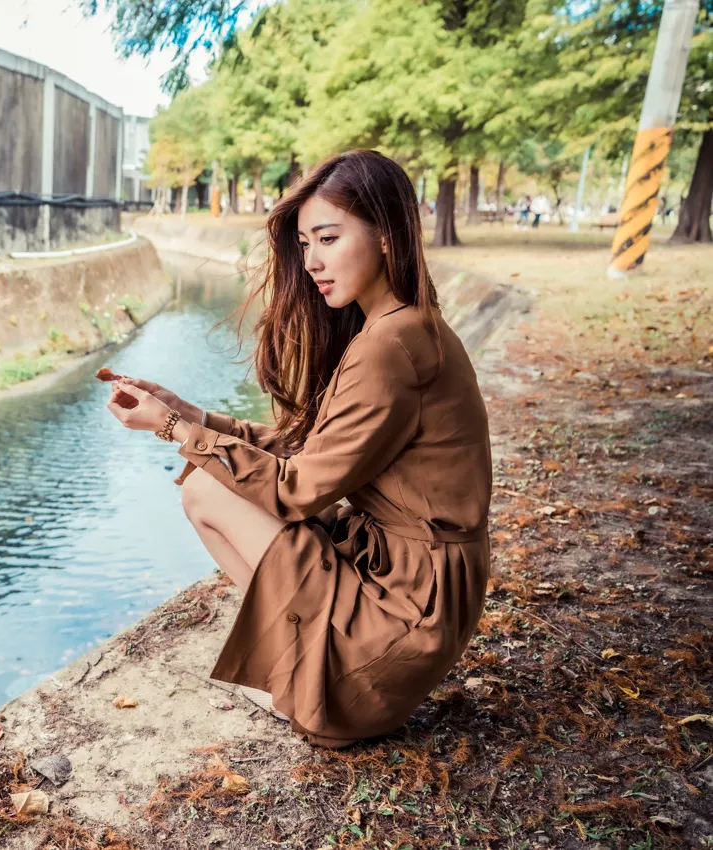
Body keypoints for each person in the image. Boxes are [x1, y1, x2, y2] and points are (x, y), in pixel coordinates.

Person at [103, 149, 491, 749]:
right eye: (305, 244)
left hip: (406, 616)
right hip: (419, 596)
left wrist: (171, 431)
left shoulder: (391, 344)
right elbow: (309, 449)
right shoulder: (404, 325)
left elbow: (294, 488)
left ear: (386, 236)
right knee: (212, 480)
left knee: (207, 487)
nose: (311, 261)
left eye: (328, 239)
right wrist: (191, 414)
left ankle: (313, 685)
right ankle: (297, 664)